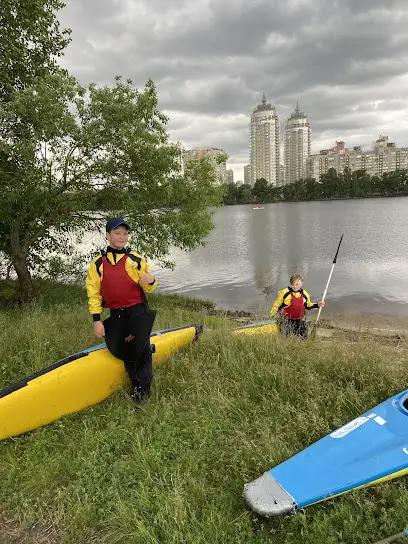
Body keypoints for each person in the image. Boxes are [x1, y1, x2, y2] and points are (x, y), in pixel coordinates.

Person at [86, 218, 158, 402]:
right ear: (108, 235)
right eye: (117, 233)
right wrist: (96, 320)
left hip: (137, 311)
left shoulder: (135, 259)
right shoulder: (98, 264)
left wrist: (151, 281)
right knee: (126, 350)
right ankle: (136, 384)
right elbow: (94, 293)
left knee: (141, 351)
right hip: (116, 314)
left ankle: (143, 392)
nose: (122, 237)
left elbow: (150, 285)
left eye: (125, 233)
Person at [270, 274, 325, 339]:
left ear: (301, 283)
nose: (295, 286)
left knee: (304, 336)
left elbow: (308, 305)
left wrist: (318, 305)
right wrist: (272, 315)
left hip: (299, 319)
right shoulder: (284, 293)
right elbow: (277, 305)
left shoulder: (304, 294)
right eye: (293, 284)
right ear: (291, 284)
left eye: (297, 284)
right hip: (286, 320)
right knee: (286, 337)